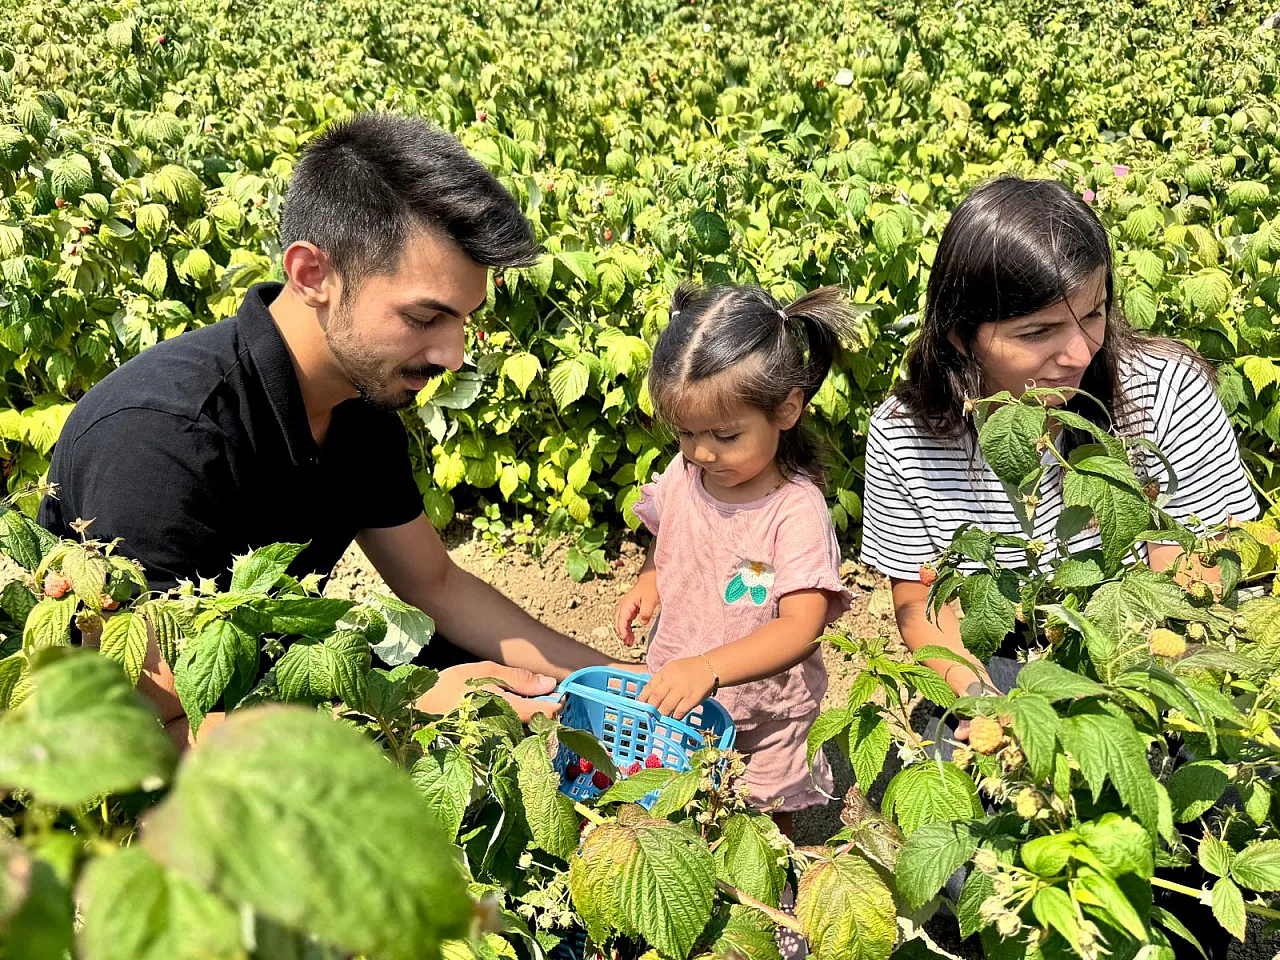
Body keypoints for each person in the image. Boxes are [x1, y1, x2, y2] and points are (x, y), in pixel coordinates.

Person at [39, 113, 611, 746]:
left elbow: (434, 583)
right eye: (426, 317)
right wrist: (400, 707)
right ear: (313, 275)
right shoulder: (162, 441)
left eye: (464, 319)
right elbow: (157, 719)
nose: (453, 354)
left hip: (276, 689)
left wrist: (613, 678)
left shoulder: (360, 407)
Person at [859, 175, 1260, 958]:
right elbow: (924, 608)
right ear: (959, 336)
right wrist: (995, 720)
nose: (1081, 350)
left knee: (1182, 822)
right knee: (962, 850)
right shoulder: (907, 432)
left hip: (1137, 647)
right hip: (998, 653)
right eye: (1040, 330)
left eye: (1094, 311)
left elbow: (1202, 571)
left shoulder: (1161, 389)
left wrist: (1119, 701)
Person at [614, 281, 854, 835]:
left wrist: (711, 667)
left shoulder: (793, 511)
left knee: (761, 831)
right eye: (687, 434)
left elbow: (801, 627)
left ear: (787, 409)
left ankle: (774, 912)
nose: (701, 451)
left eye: (724, 435)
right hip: (684, 695)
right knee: (686, 810)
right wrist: (650, 580)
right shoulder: (687, 473)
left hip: (765, 714)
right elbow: (669, 536)